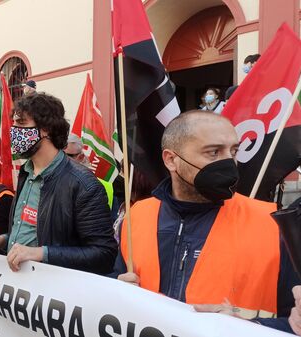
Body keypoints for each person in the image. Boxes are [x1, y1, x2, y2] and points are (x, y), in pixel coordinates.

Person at [114, 111, 295, 320]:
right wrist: (119, 290)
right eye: (213, 153)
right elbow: (115, 278)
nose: (229, 162)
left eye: (233, 151)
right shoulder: (137, 216)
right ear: (171, 160)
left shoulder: (273, 224)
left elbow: (293, 319)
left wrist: (246, 321)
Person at [0, 93, 117, 274]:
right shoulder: (26, 172)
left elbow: (104, 254)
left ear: (46, 129)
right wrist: (1, 241)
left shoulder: (83, 184)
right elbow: (32, 232)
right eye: (14, 123)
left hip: (55, 293)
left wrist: (42, 253)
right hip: (20, 288)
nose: (14, 130)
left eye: (22, 123)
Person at [65, 134, 117, 217]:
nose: (60, 159)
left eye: (66, 155)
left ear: (81, 157)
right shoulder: (48, 181)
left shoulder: (104, 187)